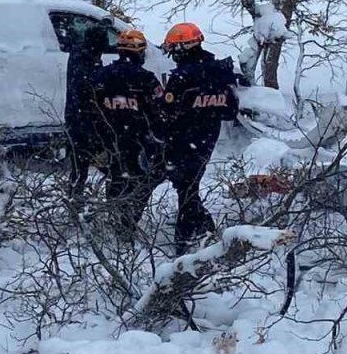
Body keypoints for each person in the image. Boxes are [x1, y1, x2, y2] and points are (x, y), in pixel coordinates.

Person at [159, 22, 239, 256]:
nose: (172, 55)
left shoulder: (182, 78)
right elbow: (230, 110)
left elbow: (167, 113)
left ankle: (183, 245)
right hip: (208, 137)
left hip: (183, 139)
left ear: (183, 48)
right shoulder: (221, 73)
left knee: (185, 188)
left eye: (174, 49)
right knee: (188, 186)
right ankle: (206, 229)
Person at [89, 29, 166, 239]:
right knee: (140, 181)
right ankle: (127, 224)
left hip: (107, 140)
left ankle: (116, 218)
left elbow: (90, 109)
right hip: (138, 141)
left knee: (115, 178)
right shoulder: (146, 79)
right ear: (139, 52)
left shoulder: (101, 76)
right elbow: (160, 111)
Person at [64, 24, 105, 210]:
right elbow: (87, 87)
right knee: (80, 168)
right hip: (83, 121)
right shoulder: (85, 60)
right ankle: (76, 206)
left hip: (80, 119)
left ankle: (76, 201)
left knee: (80, 168)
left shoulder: (81, 55)